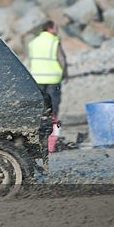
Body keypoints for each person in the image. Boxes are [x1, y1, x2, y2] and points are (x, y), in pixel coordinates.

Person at [28, 20, 67, 151]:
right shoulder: (54, 41)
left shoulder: (33, 42)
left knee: (40, 110)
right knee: (53, 110)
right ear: (50, 28)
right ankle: (52, 141)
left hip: (37, 79)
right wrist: (65, 74)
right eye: (56, 27)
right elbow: (62, 59)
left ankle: (38, 140)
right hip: (53, 79)